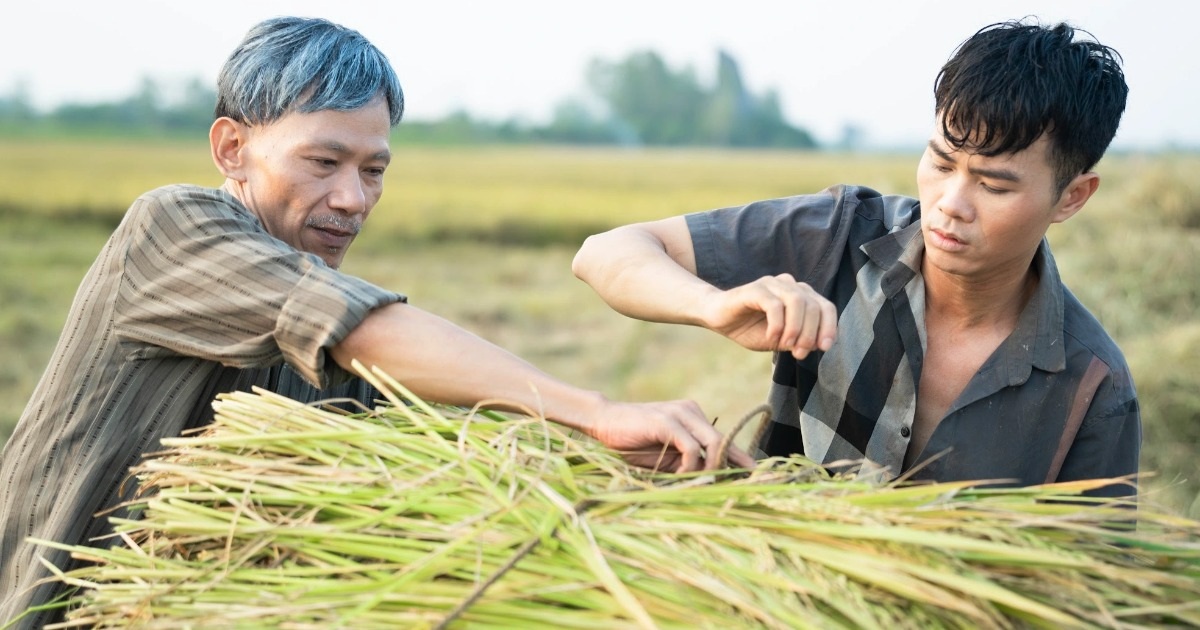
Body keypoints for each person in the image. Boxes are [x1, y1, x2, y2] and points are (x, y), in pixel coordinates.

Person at [0, 16, 753, 627]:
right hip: (52, 604)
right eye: (322, 163)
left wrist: (623, 471)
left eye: (374, 170)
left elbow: (448, 426)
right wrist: (599, 413)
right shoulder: (173, 228)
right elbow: (363, 329)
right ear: (233, 149)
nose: (353, 199)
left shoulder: (326, 311)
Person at [573, 20, 1139, 496]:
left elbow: (1094, 587)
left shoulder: (1092, 385)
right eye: (941, 164)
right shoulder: (841, 235)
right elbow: (606, 254)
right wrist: (713, 306)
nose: (950, 205)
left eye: (993, 187)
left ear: (1071, 197)